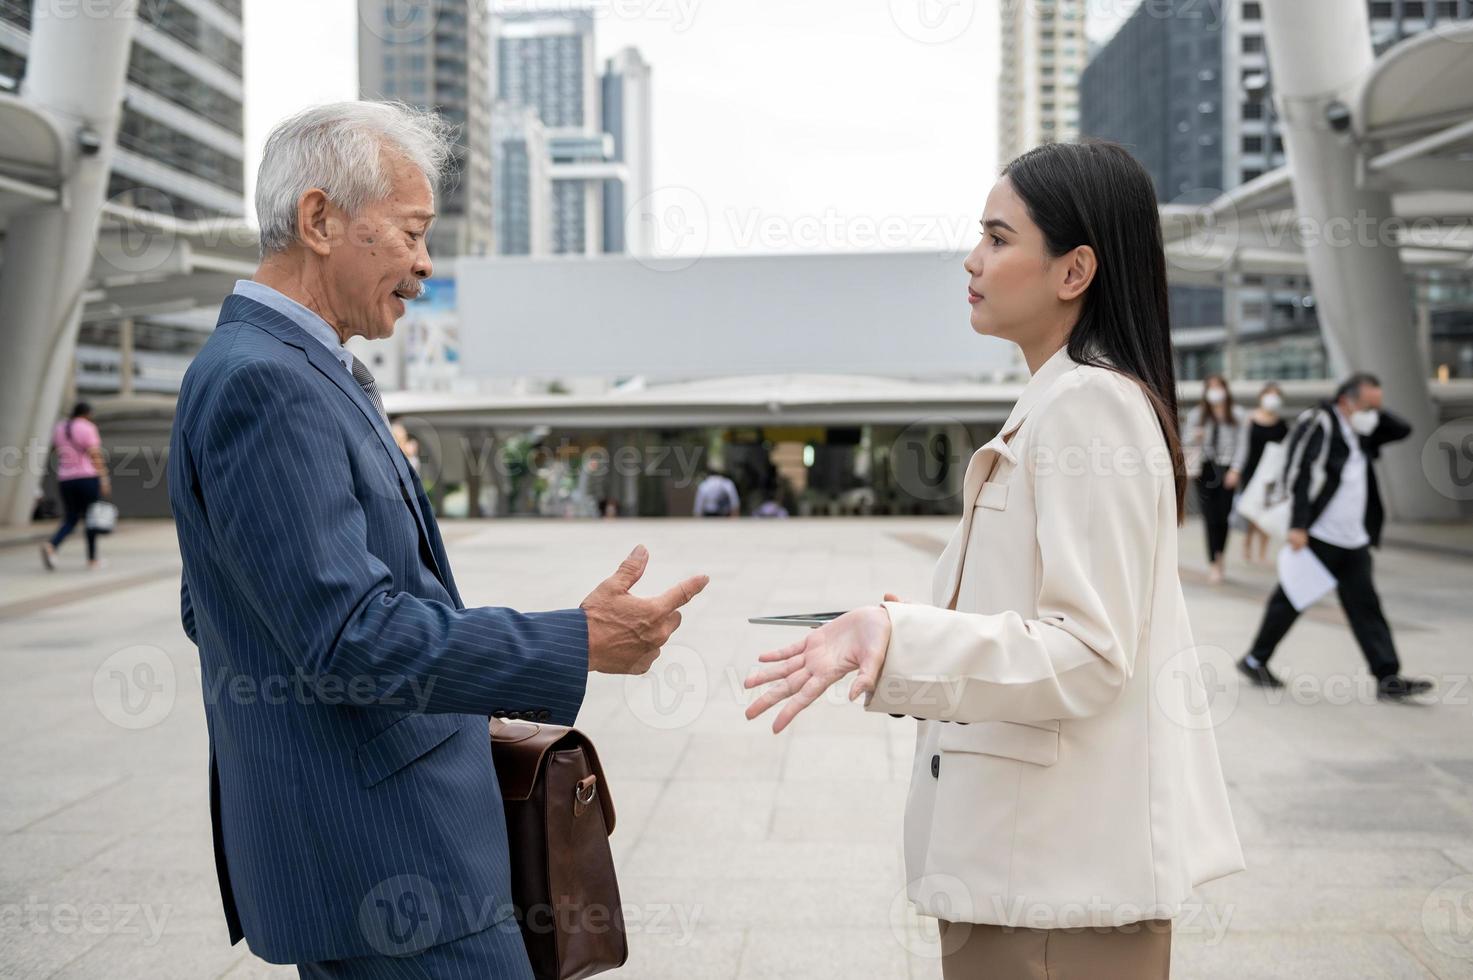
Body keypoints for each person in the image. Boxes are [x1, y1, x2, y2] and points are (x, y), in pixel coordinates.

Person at [168, 102, 709, 978]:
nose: (425, 263)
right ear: (319, 220)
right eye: (413, 232)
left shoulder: (295, 368)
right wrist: (573, 642)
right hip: (390, 865)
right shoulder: (268, 384)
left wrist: (442, 666)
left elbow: (218, 610)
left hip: (385, 845)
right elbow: (346, 638)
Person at [744, 141, 1242, 980]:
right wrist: (916, 628)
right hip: (1031, 869)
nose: (972, 260)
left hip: (1054, 878)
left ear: (1073, 270)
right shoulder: (1059, 400)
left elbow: (1089, 652)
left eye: (998, 237)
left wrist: (903, 638)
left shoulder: (1090, 408)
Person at [1236, 372, 1433, 702]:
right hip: (1318, 535)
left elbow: (1403, 429)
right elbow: (1297, 471)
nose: (1373, 413)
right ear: (1346, 401)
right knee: (1291, 599)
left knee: (1366, 607)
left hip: (1353, 539)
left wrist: (1374, 409)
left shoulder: (1360, 430)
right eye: (1368, 405)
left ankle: (1388, 677)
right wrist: (1298, 526)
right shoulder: (1320, 422)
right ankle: (1256, 659)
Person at [1184, 374, 1247, 584]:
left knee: (1223, 517)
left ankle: (1220, 555)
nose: (1215, 391)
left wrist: (1236, 470)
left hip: (1227, 467)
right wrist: (1196, 436)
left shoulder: (1237, 414)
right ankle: (1213, 562)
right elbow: (1185, 440)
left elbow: (1243, 445)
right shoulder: (1198, 414)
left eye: (1218, 387)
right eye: (1210, 387)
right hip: (1205, 467)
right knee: (1210, 518)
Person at [41, 402, 110, 571]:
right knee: (91, 519)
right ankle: (92, 559)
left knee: (71, 517)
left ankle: (52, 545)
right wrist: (104, 478)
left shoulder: (59, 428)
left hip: (65, 479)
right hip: (87, 477)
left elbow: (55, 450)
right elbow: (95, 454)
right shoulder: (87, 427)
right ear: (86, 413)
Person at [1226, 382, 1288, 564]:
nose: (1272, 399)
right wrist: (1236, 469)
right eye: (1269, 394)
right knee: (1249, 509)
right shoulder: (1249, 419)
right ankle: (1247, 546)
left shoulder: (1281, 424)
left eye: (1276, 395)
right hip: (1250, 469)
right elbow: (1242, 445)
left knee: (1265, 509)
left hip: (1270, 473)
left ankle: (1263, 552)